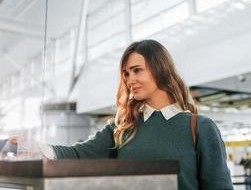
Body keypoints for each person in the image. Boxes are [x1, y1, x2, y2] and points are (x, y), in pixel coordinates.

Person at [41, 40, 233, 189]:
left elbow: (219, 187)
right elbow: (78, 154)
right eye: (126, 74)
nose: (130, 80)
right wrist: (34, 148)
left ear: (160, 69)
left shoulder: (200, 127)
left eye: (136, 71)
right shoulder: (122, 128)